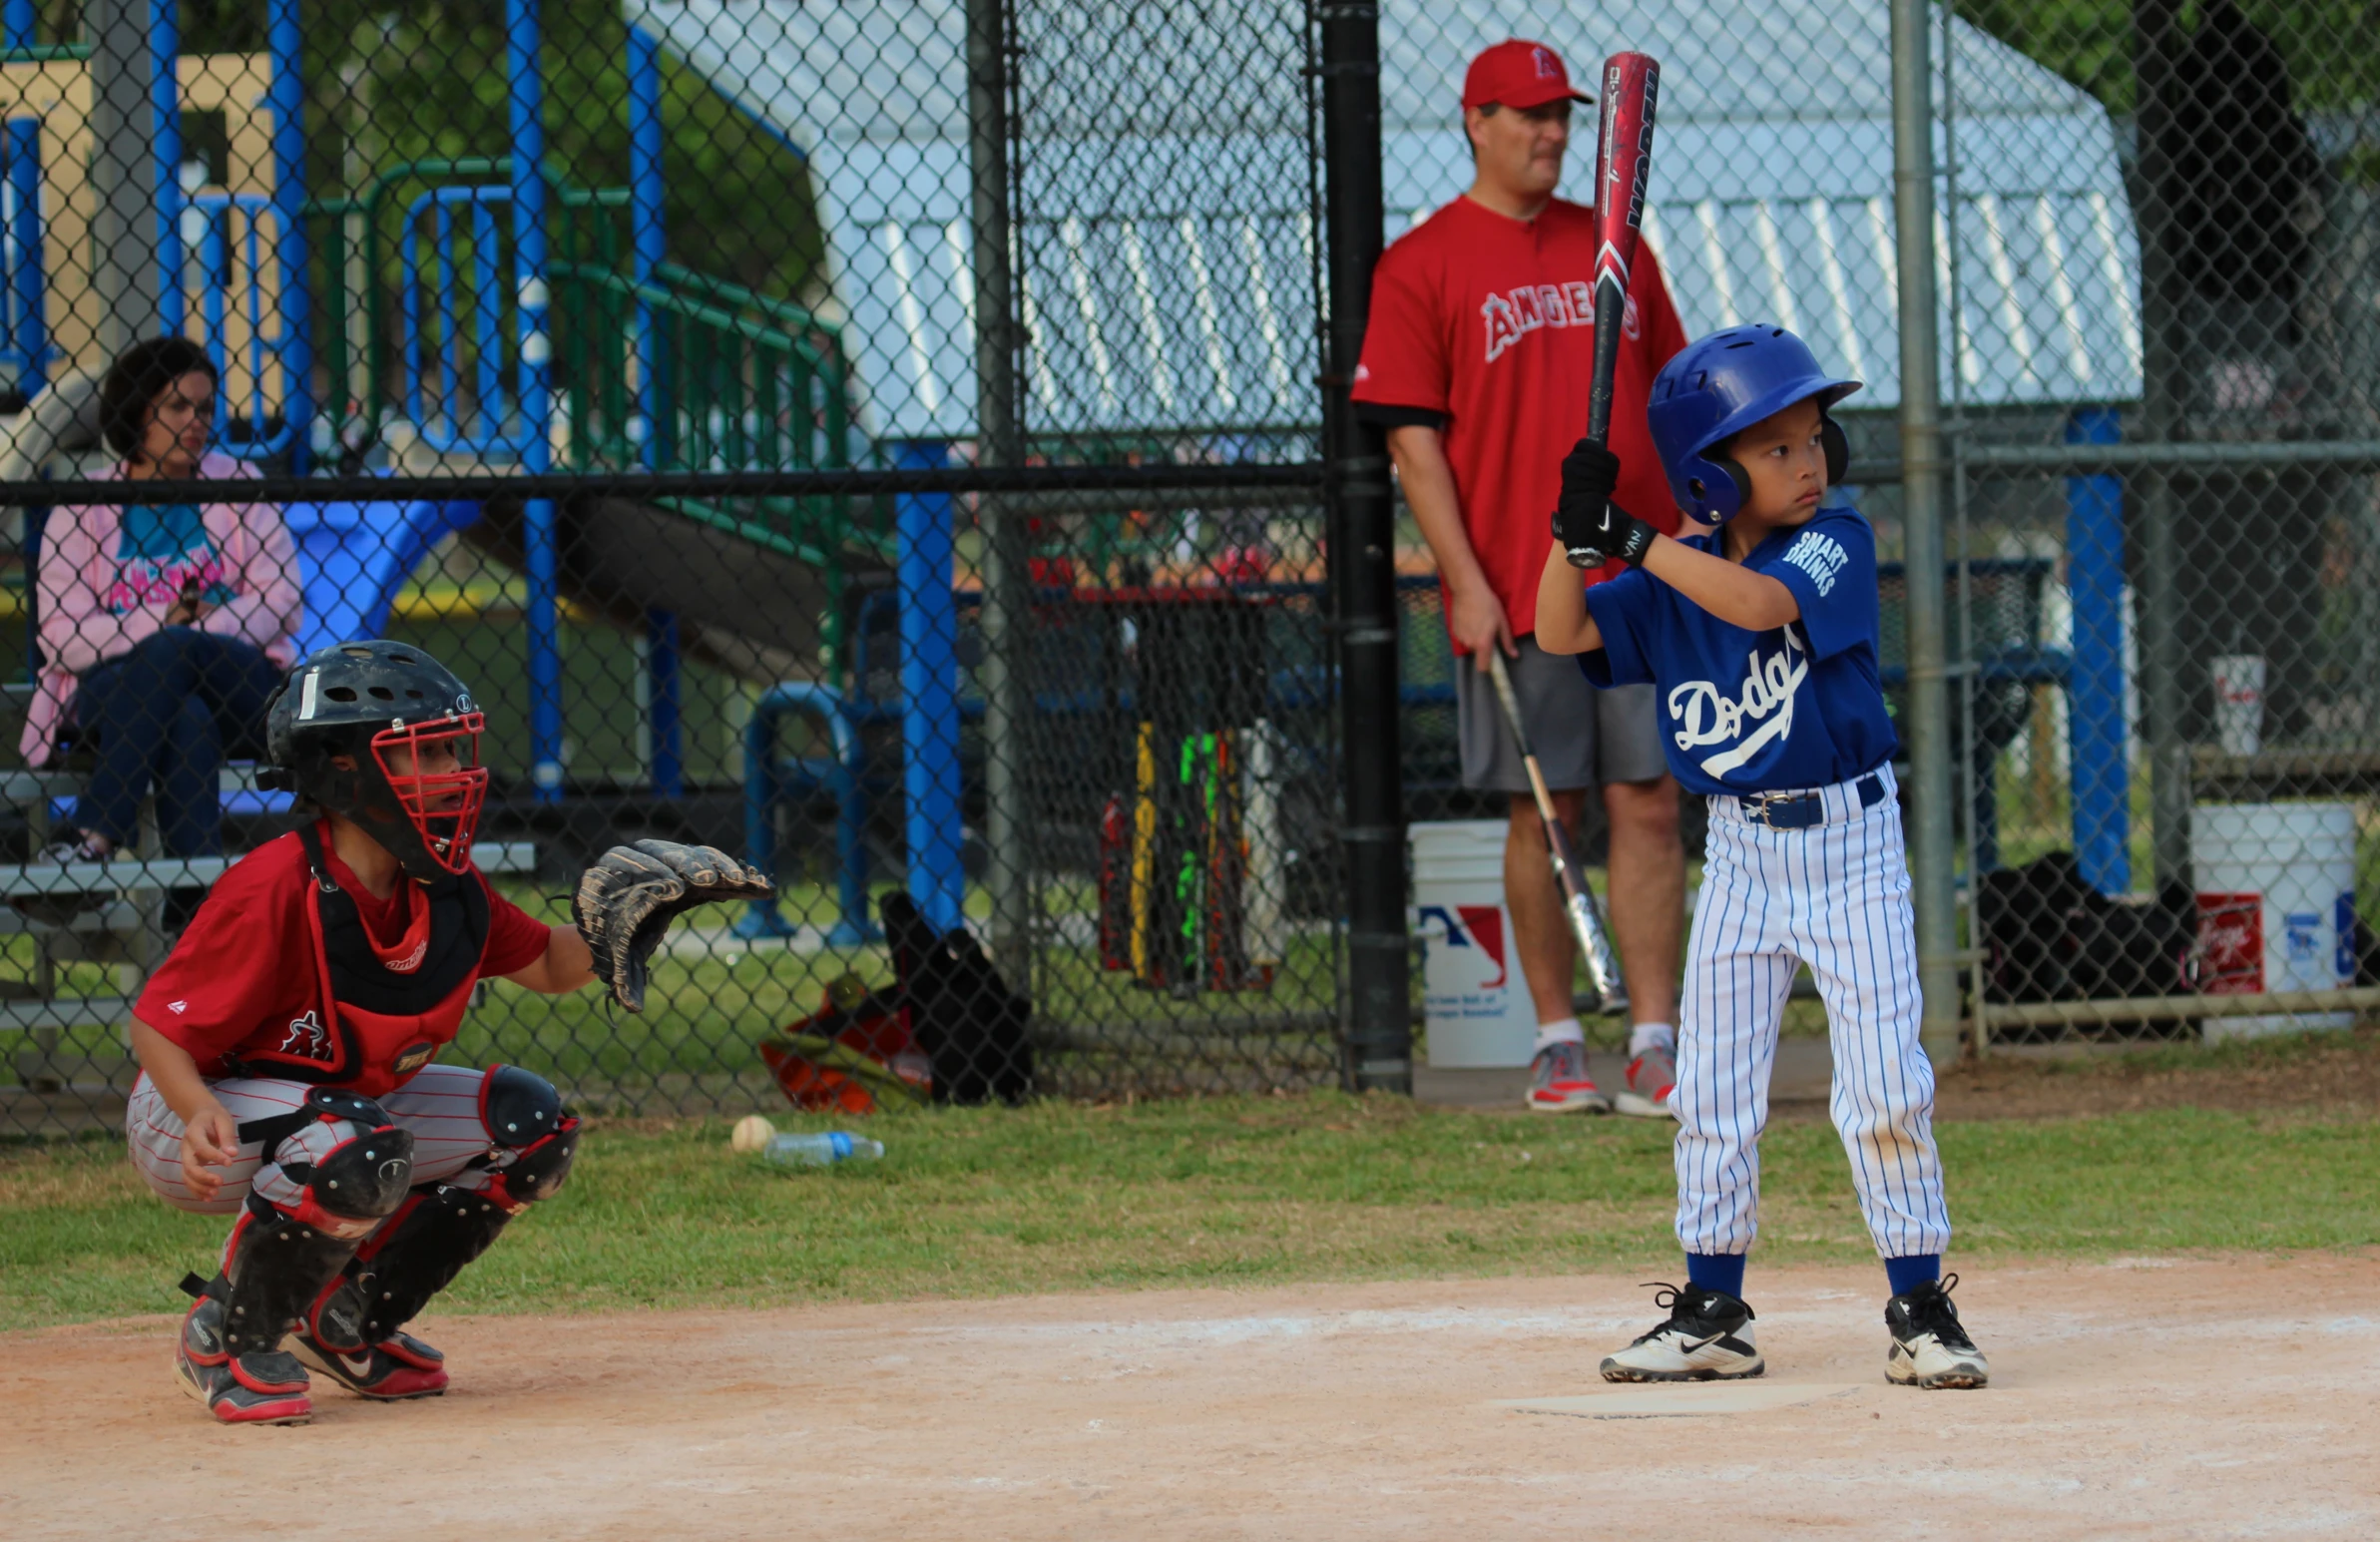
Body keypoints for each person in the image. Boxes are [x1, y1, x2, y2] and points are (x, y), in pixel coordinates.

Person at [124, 641, 770, 1424]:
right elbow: (159, 1025)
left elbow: (548, 964)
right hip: (191, 1115)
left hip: (328, 1119)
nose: (452, 772)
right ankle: (224, 1333)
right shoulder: (274, 888)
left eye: (453, 749)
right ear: (343, 767)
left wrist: (626, 919)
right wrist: (194, 1109)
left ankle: (345, 1316)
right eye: (424, 753)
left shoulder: (445, 889)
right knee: (353, 1140)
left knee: (531, 1127)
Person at [1532, 324, 1988, 1389]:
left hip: (1852, 848)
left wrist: (1636, 539)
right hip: (1738, 857)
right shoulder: (1665, 585)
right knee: (1713, 1092)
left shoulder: (1834, 542)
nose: (1810, 461)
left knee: (1881, 1087)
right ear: (1709, 472)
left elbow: (1760, 606)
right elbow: (1561, 634)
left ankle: (1920, 1309)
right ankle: (1710, 1308)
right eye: (1774, 448)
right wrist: (1572, 531)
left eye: (1811, 437)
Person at [1352, 38, 1690, 1117]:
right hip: (1521, 582)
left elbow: (1675, 397)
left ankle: (1654, 1037)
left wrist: (1688, 539)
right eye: (1529, 114)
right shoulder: (1423, 263)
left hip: (1638, 576)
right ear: (1475, 122)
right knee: (1548, 815)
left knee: (1649, 803)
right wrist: (1463, 579)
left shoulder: (1617, 246)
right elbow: (1414, 446)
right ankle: (1556, 1042)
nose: (1552, 133)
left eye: (1563, 115)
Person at [21, 335, 301, 859]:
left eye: (206, 409)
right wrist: (163, 619)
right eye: (177, 406)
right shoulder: (83, 506)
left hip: (238, 682)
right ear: (136, 410)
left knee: (176, 651)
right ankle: (193, 905)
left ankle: (93, 838)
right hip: (118, 691)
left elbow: (281, 597)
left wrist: (183, 634)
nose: (197, 421)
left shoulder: (239, 483)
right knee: (186, 715)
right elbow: (61, 636)